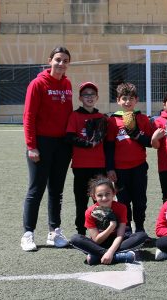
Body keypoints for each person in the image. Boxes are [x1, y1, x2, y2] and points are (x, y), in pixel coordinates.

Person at [21, 46, 73, 251]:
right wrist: (31, 146)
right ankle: (28, 234)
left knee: (56, 191)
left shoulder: (67, 84)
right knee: (36, 189)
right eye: (58, 60)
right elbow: (29, 117)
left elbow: (68, 114)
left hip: (62, 145)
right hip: (41, 144)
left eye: (65, 61)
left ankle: (54, 231)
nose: (61, 64)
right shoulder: (37, 84)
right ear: (50, 60)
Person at [105, 83, 155, 234]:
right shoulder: (113, 121)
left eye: (131, 98)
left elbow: (150, 142)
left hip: (139, 166)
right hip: (120, 169)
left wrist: (137, 134)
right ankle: (126, 229)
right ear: (118, 100)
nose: (127, 102)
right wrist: (110, 168)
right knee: (123, 201)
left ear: (136, 100)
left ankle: (139, 228)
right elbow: (108, 146)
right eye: (124, 98)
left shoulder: (142, 118)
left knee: (140, 201)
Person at [70, 176, 148, 265]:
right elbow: (96, 240)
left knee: (141, 236)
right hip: (99, 244)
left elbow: (120, 235)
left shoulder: (121, 208)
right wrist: (112, 226)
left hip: (117, 241)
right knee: (75, 239)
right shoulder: (89, 212)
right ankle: (118, 256)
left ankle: (97, 256)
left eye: (107, 194)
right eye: (100, 195)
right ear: (94, 197)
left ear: (113, 193)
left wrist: (110, 252)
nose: (104, 198)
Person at [65, 82, 107, 235]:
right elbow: (69, 137)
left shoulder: (102, 118)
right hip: (81, 165)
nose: (89, 97)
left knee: (100, 200)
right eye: (85, 95)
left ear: (97, 98)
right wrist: (88, 144)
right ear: (80, 98)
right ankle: (81, 231)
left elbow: (108, 144)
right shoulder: (75, 116)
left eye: (92, 94)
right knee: (81, 200)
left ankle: (103, 228)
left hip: (99, 165)